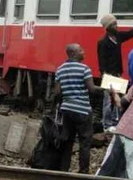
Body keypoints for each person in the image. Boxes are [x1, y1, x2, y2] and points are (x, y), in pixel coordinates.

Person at [53, 43, 101, 174]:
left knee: (68, 141)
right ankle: (83, 172)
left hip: (66, 110)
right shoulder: (85, 69)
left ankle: (63, 170)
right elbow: (92, 89)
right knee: (85, 142)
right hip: (82, 110)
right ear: (73, 53)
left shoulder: (60, 69)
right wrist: (107, 88)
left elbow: (57, 92)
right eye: (81, 50)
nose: (84, 52)